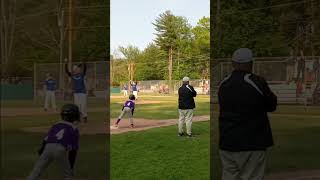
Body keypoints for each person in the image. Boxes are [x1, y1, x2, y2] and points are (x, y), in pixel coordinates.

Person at [218, 48, 277, 180]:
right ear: (251, 63)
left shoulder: (223, 83)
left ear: (233, 63)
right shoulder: (256, 81)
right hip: (252, 142)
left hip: (227, 142)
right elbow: (272, 105)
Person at [27, 104, 80, 180]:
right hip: (60, 149)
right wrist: (71, 167)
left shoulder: (56, 125)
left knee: (36, 171)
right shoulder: (74, 128)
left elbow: (46, 140)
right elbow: (73, 151)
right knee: (67, 174)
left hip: (48, 147)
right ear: (74, 116)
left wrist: (42, 151)